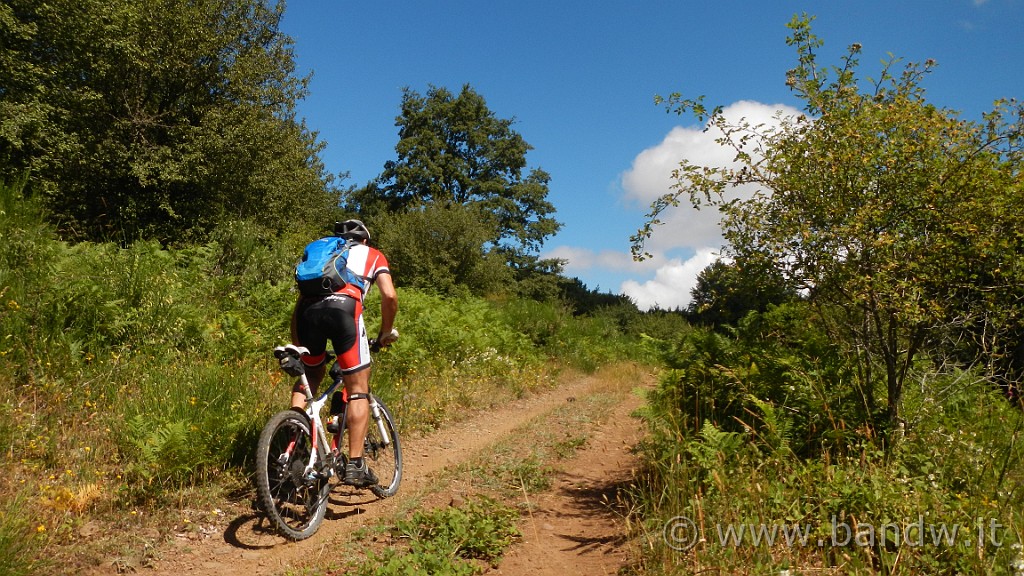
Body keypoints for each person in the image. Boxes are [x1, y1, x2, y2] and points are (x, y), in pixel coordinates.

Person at [290, 219, 398, 487]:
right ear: (364, 239)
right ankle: (355, 464)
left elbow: (300, 304)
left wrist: (299, 344)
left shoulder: (322, 254)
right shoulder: (371, 254)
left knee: (311, 374)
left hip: (307, 316)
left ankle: (294, 436)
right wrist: (385, 332)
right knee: (358, 388)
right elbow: (390, 296)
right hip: (345, 311)